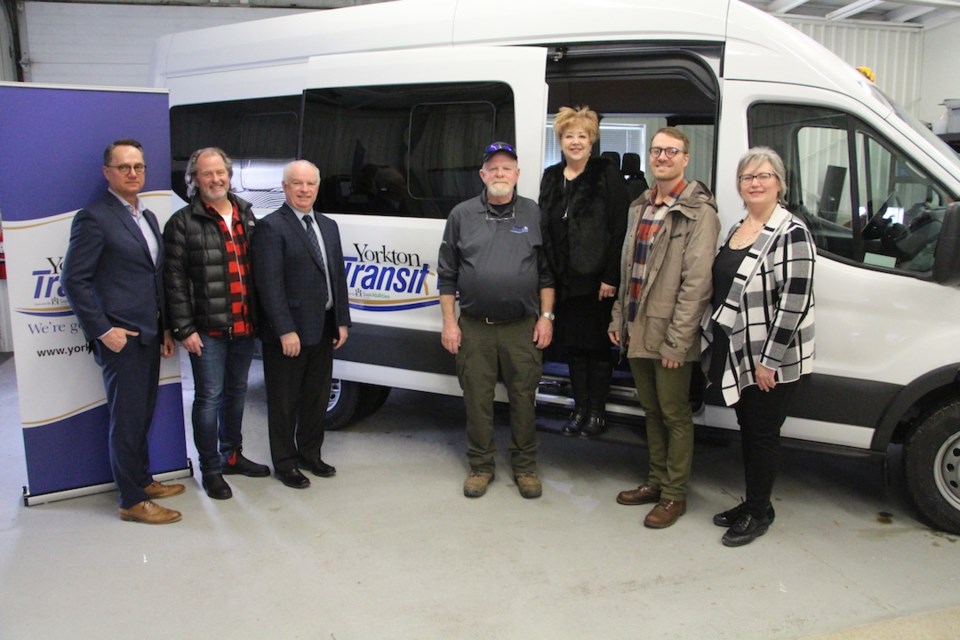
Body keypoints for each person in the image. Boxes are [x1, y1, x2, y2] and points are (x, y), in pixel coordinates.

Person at [62, 139, 183, 524]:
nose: (134, 174)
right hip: (121, 339)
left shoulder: (146, 217)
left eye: (139, 167)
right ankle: (131, 500)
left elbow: (154, 277)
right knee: (126, 420)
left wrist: (164, 326)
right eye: (125, 167)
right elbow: (74, 281)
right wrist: (102, 330)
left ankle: (143, 481)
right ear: (107, 173)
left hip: (149, 334)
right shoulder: (94, 218)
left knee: (142, 414)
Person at [702, 147, 815, 547]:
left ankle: (758, 511)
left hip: (771, 360)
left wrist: (768, 361)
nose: (755, 183)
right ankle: (755, 504)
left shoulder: (792, 232)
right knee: (748, 430)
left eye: (764, 176)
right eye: (748, 177)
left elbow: (794, 303)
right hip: (738, 351)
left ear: (779, 183)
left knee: (763, 433)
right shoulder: (739, 227)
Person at [609, 127, 720, 529]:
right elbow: (628, 269)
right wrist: (618, 317)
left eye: (671, 151)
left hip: (671, 333)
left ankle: (675, 494)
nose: (662, 157)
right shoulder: (639, 205)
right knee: (651, 410)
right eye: (656, 150)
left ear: (685, 158)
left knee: (674, 413)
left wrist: (679, 342)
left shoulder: (699, 213)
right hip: (638, 327)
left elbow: (697, 284)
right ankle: (655, 482)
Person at [438, 141, 555, 500]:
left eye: (507, 168)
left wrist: (546, 317)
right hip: (475, 326)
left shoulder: (534, 214)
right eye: (494, 168)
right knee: (477, 398)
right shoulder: (461, 215)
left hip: (522, 327)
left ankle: (525, 467)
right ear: (483, 175)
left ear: (517, 175)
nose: (500, 173)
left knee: (523, 398)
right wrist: (449, 323)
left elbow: (546, 274)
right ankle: (480, 466)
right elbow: (447, 275)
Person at [163, 147, 271, 501]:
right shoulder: (182, 222)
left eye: (220, 172)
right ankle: (210, 468)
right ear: (194, 180)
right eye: (207, 174)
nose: (215, 179)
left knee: (236, 393)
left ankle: (233, 455)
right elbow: (174, 280)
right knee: (209, 398)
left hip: (244, 325)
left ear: (229, 175)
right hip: (206, 331)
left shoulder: (245, 212)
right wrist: (184, 329)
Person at [252, 160, 351, 489]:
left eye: (310, 184)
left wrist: (342, 321)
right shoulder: (271, 227)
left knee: (316, 397)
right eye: (297, 183)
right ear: (284, 187)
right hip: (289, 333)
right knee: (284, 401)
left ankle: (311, 453)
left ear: (318, 187)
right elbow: (269, 285)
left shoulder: (328, 225)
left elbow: (337, 277)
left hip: (323, 326)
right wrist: (284, 329)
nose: (304, 189)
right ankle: (285, 462)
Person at [539, 106, 629, 438]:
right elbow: (544, 228)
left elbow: (620, 228)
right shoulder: (551, 177)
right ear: (560, 140)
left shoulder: (605, 173)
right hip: (565, 281)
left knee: (596, 349)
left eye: (582, 136)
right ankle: (578, 409)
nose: (575, 142)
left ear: (592, 140)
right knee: (574, 350)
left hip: (597, 282)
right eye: (568, 136)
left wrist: (611, 276)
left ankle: (596, 412)